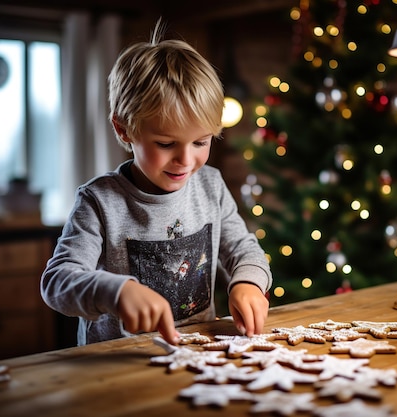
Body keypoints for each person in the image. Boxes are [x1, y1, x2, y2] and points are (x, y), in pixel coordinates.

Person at [40, 20, 272, 347]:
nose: (186, 160)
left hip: (197, 356)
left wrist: (247, 283)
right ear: (124, 130)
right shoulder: (98, 200)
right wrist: (116, 292)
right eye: (165, 144)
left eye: (201, 142)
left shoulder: (211, 185)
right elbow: (57, 281)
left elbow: (245, 250)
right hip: (116, 367)